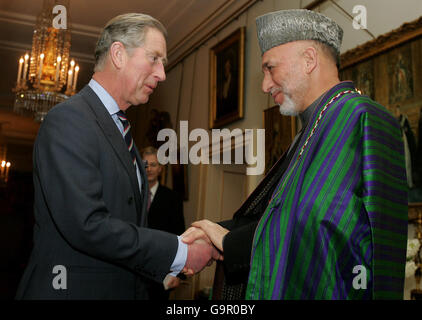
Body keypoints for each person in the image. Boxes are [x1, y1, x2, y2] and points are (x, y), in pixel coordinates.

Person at [183, 9, 408, 300]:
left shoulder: (361, 116)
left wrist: (230, 243)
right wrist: (215, 235)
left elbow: (326, 228)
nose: (265, 85)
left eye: (270, 68)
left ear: (309, 60)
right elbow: (281, 214)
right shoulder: (312, 128)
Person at [15, 13, 220, 300]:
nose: (161, 74)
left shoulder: (120, 130)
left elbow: (127, 224)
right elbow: (87, 225)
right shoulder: (69, 119)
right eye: (154, 59)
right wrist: (180, 251)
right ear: (119, 54)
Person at [142, 146, 185, 299]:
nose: (149, 169)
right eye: (145, 164)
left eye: (153, 165)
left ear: (160, 168)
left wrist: (177, 273)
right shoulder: (131, 194)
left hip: (160, 273)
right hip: (131, 270)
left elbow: (180, 236)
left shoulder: (172, 199)